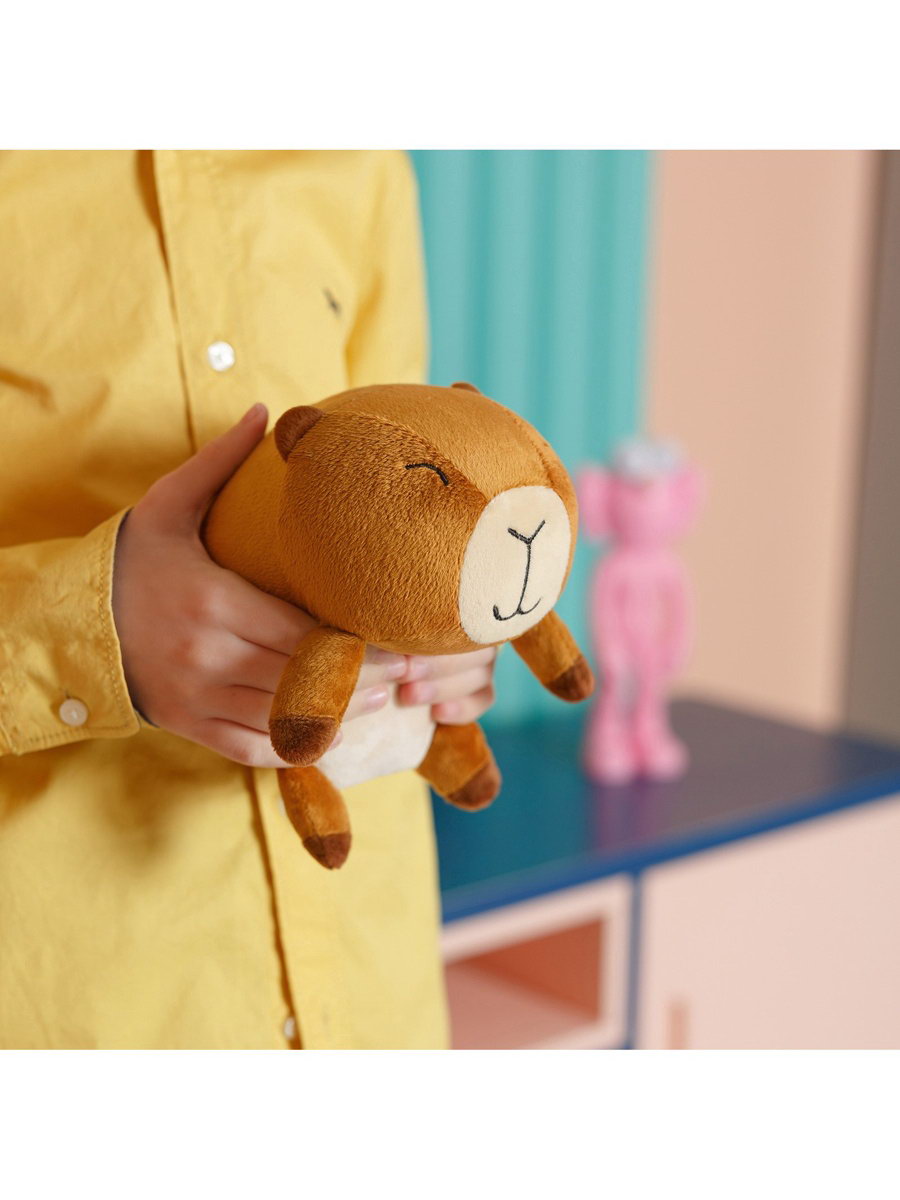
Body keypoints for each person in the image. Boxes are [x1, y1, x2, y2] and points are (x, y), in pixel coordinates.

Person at [0, 149, 496, 1049]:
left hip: (373, 991)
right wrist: (89, 630)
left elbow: (412, 466)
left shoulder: (358, 151)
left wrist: (451, 609)